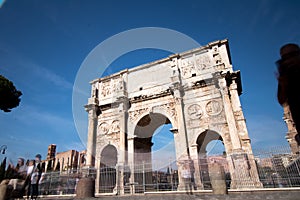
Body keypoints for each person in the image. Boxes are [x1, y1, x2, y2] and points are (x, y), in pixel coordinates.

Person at [277, 43, 300, 145]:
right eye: (284, 58)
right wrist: (283, 84)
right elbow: (282, 100)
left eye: (292, 55)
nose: (288, 60)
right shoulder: (286, 74)